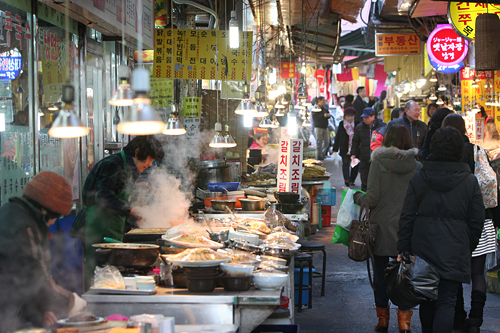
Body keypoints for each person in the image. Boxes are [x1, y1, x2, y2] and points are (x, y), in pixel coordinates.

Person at [398, 127, 485, 333]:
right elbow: (477, 220)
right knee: (447, 301)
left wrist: (404, 247)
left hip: (424, 249)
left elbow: (407, 215)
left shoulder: (420, 177)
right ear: (459, 150)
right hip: (455, 249)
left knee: (427, 299)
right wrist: (467, 244)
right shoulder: (470, 181)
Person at [71, 135, 164, 289]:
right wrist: (132, 210)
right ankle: (94, 307)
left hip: (110, 227)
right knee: (98, 276)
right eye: (150, 159)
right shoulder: (113, 165)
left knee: (110, 275)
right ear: (137, 151)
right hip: (96, 227)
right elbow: (103, 197)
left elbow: (119, 197)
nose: (150, 164)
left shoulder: (128, 167)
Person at [353, 125, 421, 332]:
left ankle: (383, 321)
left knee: (381, 273)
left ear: (386, 141)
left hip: (382, 228)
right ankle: (404, 323)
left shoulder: (378, 162)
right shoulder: (417, 167)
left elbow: (371, 199)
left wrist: (356, 196)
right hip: (409, 229)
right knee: (406, 275)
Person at [0, 171, 87, 331]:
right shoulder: (25, 228)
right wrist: (71, 302)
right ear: (46, 211)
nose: (53, 222)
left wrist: (39, 309)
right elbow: (38, 282)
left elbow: (22, 277)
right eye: (57, 215)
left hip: (12, 306)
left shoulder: (12, 210)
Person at [441, 114, 498, 333]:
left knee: (453, 273)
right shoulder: (478, 151)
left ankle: (458, 317)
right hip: (482, 219)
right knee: (477, 273)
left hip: (455, 223)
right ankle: (475, 321)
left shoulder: (444, 154)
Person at [351, 107, 386, 191]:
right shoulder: (359, 128)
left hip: (378, 158)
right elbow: (355, 142)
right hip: (364, 158)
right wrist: (353, 153)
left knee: (378, 180)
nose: (365, 119)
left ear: (373, 116)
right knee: (365, 180)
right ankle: (365, 199)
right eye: (364, 117)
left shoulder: (382, 127)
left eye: (367, 117)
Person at [333, 107, 359, 187]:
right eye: (348, 116)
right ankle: (347, 180)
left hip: (355, 148)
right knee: (346, 164)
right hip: (345, 148)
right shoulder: (341, 124)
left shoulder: (358, 124)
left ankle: (352, 179)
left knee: (355, 164)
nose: (350, 117)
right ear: (345, 116)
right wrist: (335, 148)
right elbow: (338, 137)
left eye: (352, 116)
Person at [311, 96, 331, 160]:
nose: (324, 102)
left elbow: (328, 114)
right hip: (318, 127)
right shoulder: (315, 108)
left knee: (327, 142)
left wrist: (328, 115)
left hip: (325, 126)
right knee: (318, 142)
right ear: (319, 101)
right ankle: (319, 155)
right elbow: (315, 118)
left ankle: (322, 153)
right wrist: (323, 116)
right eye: (323, 100)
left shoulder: (325, 108)